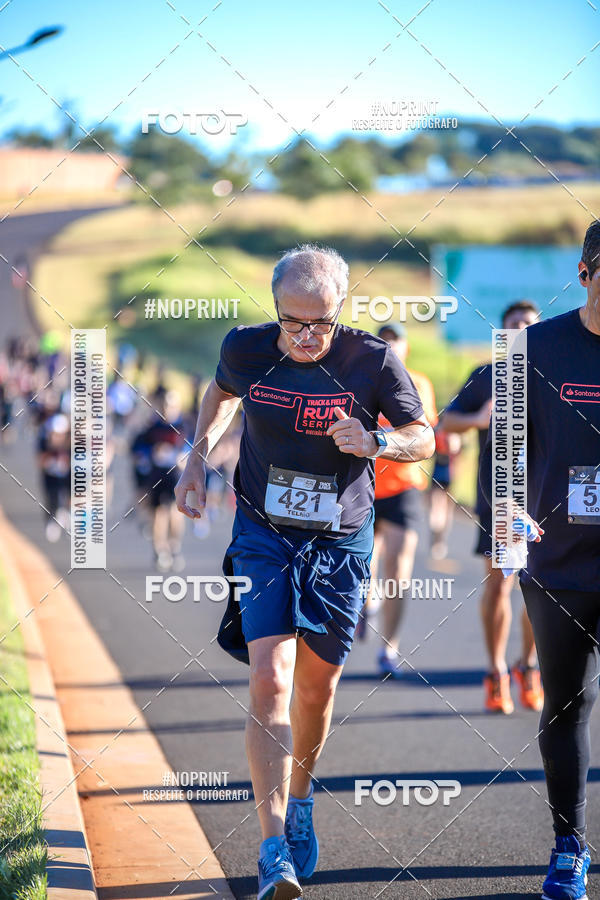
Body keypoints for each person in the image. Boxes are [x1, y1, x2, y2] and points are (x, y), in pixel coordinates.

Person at [175, 245, 435, 900]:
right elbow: (221, 394)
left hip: (341, 539)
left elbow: (423, 435)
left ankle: (302, 794)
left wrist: (379, 442)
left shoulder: (371, 360)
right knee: (270, 677)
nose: (307, 335)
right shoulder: (246, 347)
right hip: (263, 529)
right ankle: (272, 845)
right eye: (294, 322)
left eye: (320, 322)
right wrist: (197, 455)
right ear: (276, 310)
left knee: (315, 692)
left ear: (340, 312)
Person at [479, 221, 600, 900]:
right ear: (585, 274)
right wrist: (505, 506)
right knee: (567, 704)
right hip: (559, 558)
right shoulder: (536, 348)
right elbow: (505, 444)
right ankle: (568, 847)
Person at [440, 300, 543, 715]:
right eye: (513, 324)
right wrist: (480, 418)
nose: (520, 329)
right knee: (500, 583)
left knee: (539, 589)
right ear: (501, 333)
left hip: (542, 499)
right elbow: (447, 420)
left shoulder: (548, 375)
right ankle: (496, 671)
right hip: (499, 497)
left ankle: (529, 666)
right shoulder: (486, 376)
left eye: (528, 325)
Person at [369, 322, 438, 678]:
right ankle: (367, 600)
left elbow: (426, 435)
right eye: (383, 342)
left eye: (396, 342)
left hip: (403, 487)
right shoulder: (361, 378)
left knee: (398, 570)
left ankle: (389, 648)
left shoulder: (419, 383)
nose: (390, 347)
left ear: (406, 348)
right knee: (364, 568)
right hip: (362, 486)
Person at [428, 425, 461, 560]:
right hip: (440, 473)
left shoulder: (453, 433)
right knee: (437, 509)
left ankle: (439, 540)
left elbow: (456, 451)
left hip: (448, 474)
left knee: (445, 510)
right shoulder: (439, 433)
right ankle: (437, 540)